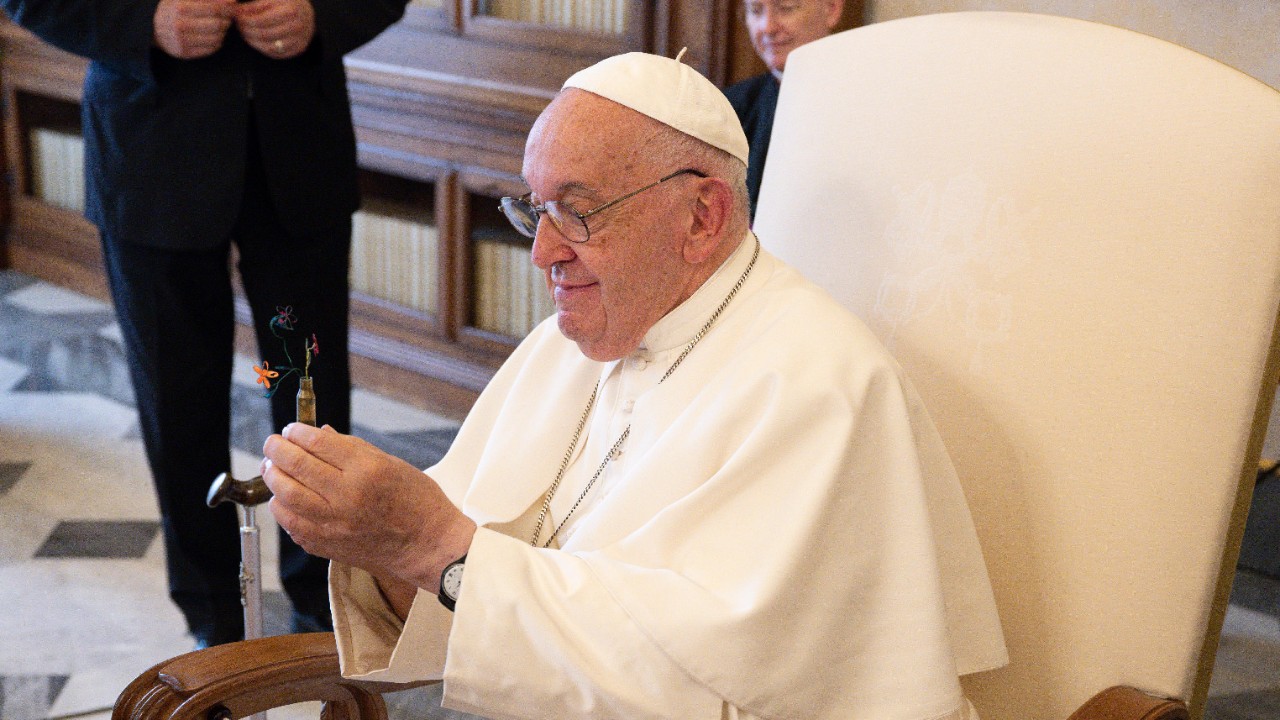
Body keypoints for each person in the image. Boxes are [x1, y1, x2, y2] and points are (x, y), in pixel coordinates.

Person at [261, 51, 1008, 719]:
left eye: (577, 212)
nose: (542, 252)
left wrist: (431, 544)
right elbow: (456, 597)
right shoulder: (568, 345)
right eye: (535, 210)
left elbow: (714, 693)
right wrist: (382, 540)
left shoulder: (822, 387)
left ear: (702, 216)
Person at [0, 0, 408, 647]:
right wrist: (142, 23)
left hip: (298, 151)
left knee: (310, 392)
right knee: (176, 400)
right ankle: (213, 620)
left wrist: (321, 16)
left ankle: (324, 596)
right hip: (149, 151)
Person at [724, 0, 845, 218]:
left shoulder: (870, 103)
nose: (768, 27)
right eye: (756, 11)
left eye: (786, 7)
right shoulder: (728, 108)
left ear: (832, 8)